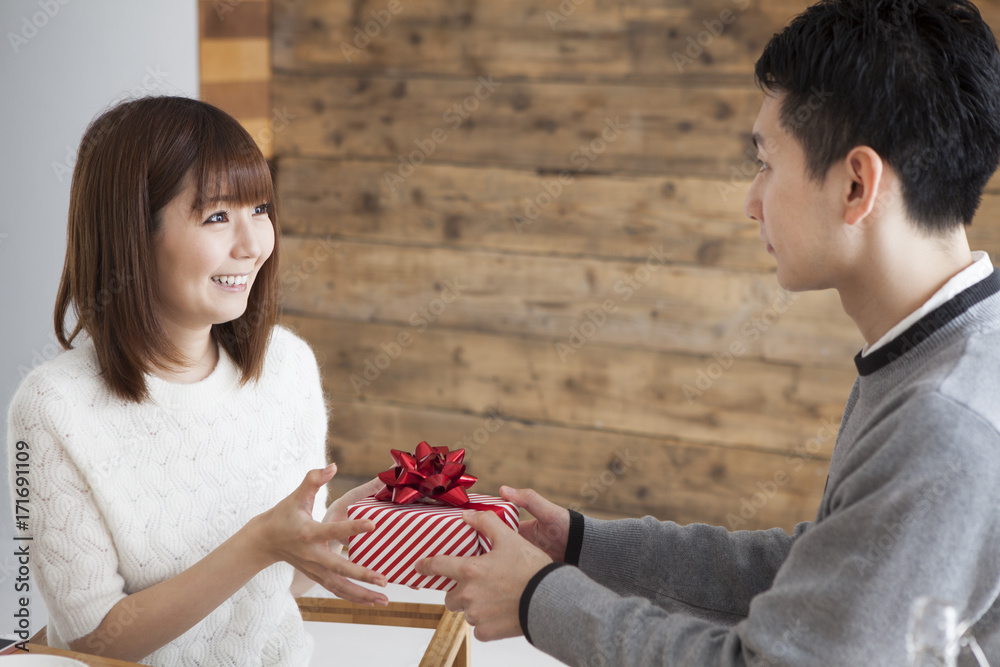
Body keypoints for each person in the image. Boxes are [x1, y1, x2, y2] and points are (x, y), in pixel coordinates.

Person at [417, 1, 1000, 664]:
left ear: (856, 184)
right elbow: (819, 574)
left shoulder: (944, 422)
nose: (751, 201)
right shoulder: (945, 351)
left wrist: (537, 598)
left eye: (766, 164)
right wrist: (581, 546)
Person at [6, 96, 388, 665]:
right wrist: (258, 544)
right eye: (217, 216)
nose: (254, 243)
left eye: (259, 209)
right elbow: (93, 642)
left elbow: (268, 601)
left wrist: (324, 536)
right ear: (132, 232)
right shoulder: (54, 408)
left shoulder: (287, 367)